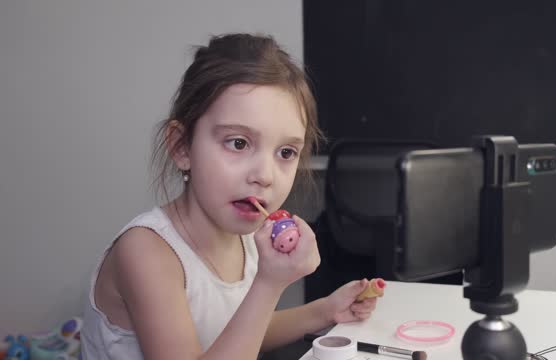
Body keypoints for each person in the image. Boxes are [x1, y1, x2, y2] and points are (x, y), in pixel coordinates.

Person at [80, 33, 379, 360]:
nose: (265, 175)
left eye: (286, 151)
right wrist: (268, 285)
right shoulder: (146, 253)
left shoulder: (248, 239)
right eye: (238, 143)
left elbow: (236, 333)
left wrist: (325, 311)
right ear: (182, 147)